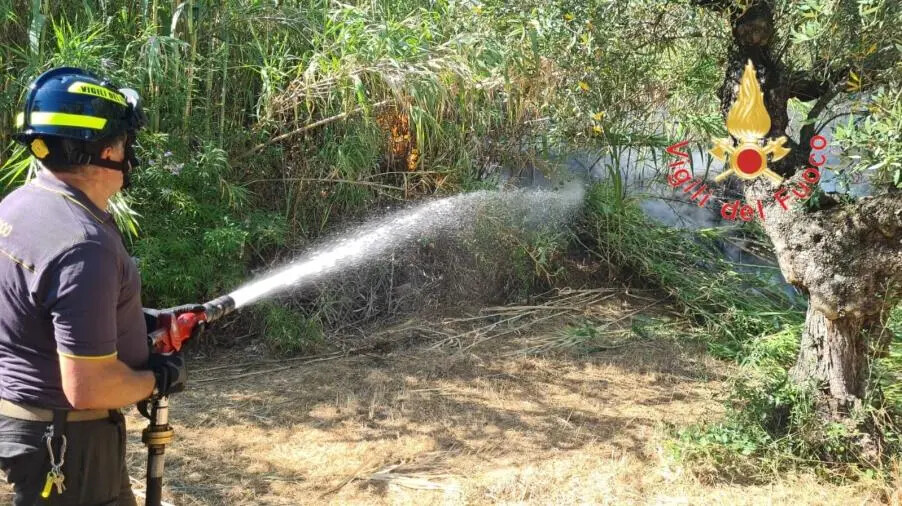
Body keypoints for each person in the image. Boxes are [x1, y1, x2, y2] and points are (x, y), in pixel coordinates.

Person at [0, 67, 190, 505]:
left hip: (33, 430)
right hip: (70, 445)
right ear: (106, 150)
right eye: (125, 141)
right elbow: (90, 387)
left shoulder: (22, 204)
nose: (128, 152)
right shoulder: (82, 244)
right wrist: (158, 377)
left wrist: (139, 322)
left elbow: (39, 309)